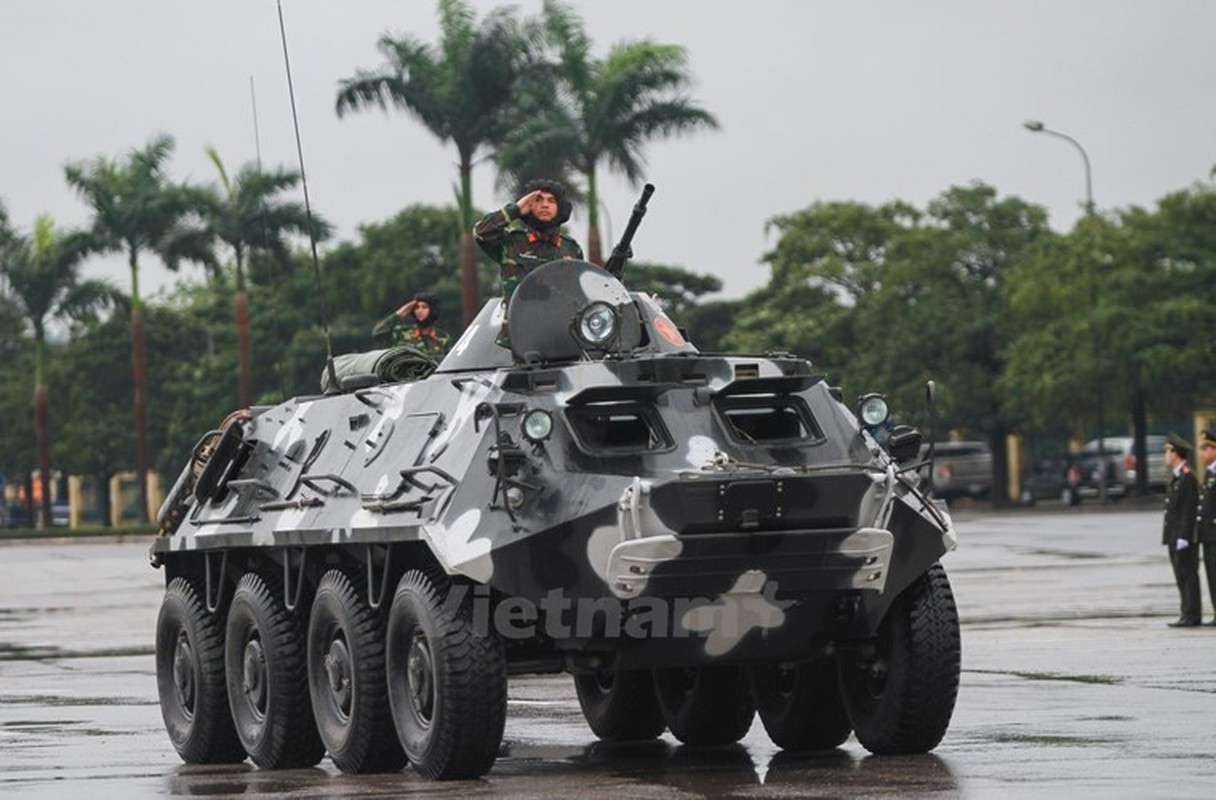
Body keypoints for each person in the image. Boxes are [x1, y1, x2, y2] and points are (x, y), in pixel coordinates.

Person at [473, 179, 584, 346]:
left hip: (562, 336)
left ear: (560, 207)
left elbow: (578, 293)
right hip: (523, 336)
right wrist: (516, 209)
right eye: (538, 200)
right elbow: (481, 232)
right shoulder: (511, 242)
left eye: (551, 201)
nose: (545, 205)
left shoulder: (570, 248)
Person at [1162, 433, 1200, 627]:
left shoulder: (1187, 478)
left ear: (1176, 453)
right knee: (1180, 575)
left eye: (1167, 451)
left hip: (1183, 536)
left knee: (1188, 575)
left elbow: (1188, 509)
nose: (1165, 455)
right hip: (1174, 536)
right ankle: (1186, 612)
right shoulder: (1177, 477)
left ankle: (1192, 614)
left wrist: (1184, 536)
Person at [372, 291, 449, 357]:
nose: (419, 311)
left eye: (424, 307)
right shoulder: (401, 333)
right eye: (417, 307)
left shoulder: (442, 338)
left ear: (433, 310)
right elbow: (378, 332)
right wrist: (400, 313)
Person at [1196, 429, 1216, 625]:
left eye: (1205, 448)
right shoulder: (1210, 473)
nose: (1202, 453)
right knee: (1212, 574)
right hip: (1209, 534)